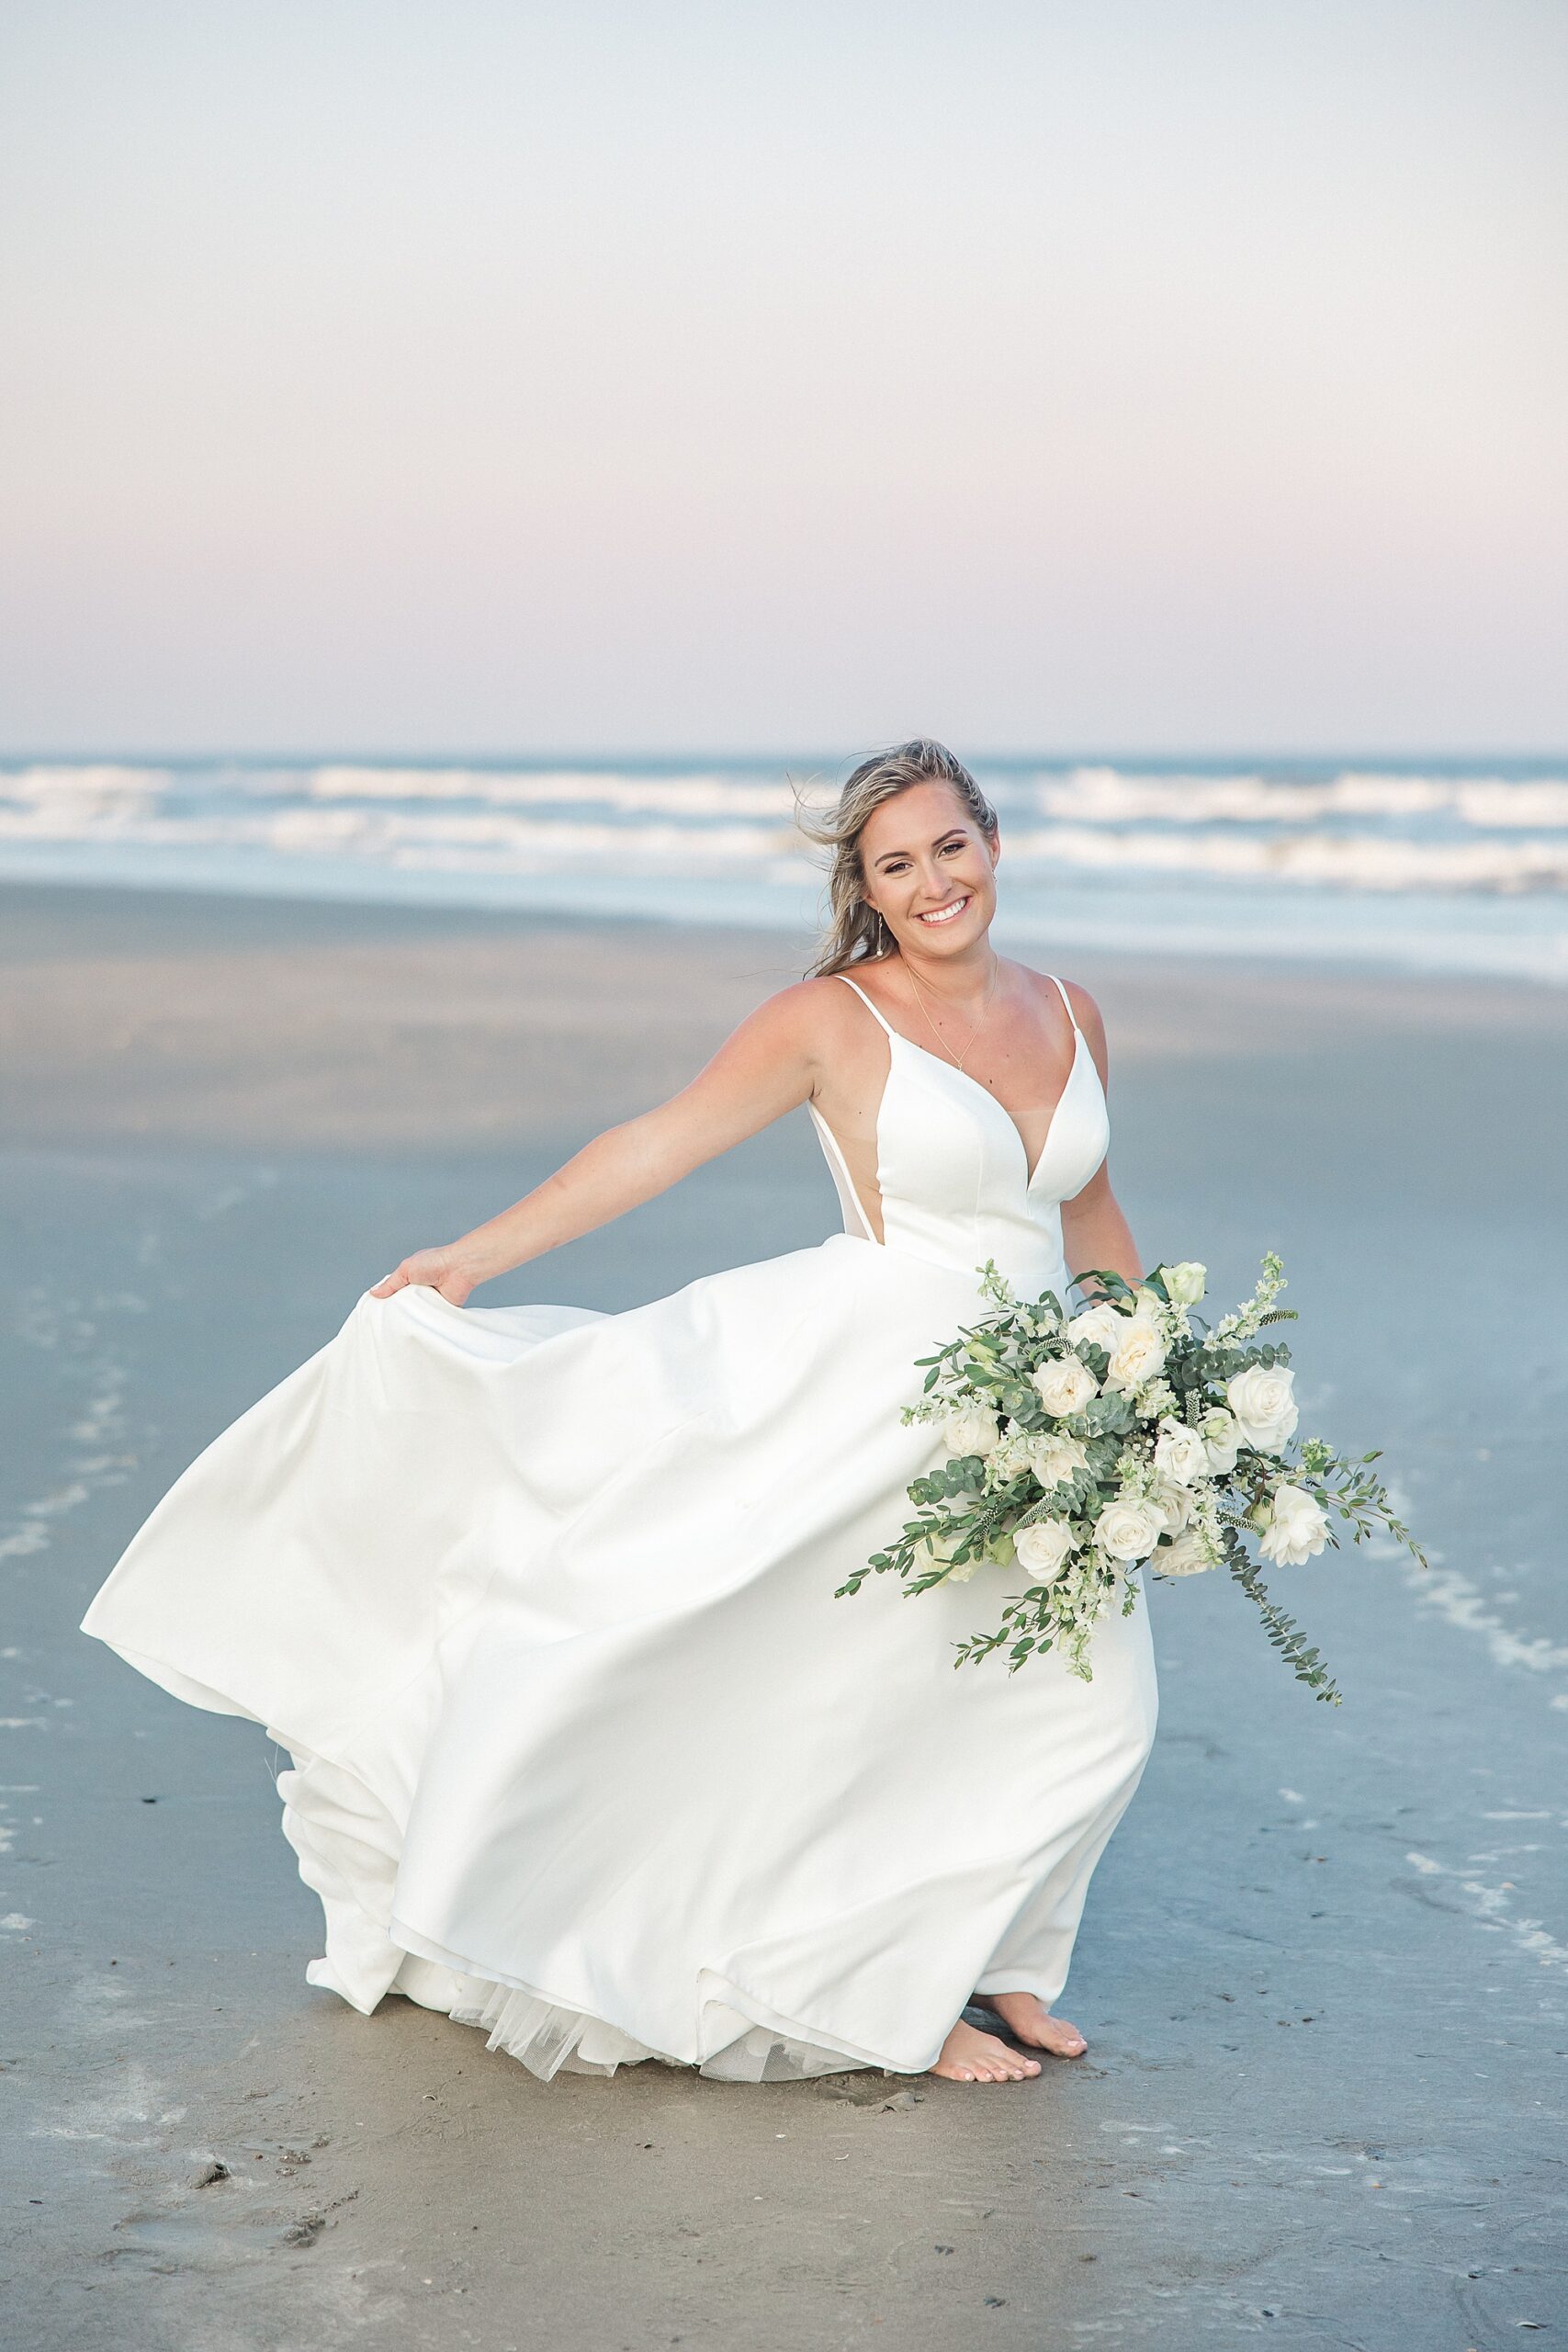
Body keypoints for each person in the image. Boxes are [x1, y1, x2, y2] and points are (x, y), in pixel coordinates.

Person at [82, 739, 1157, 2087]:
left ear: (994, 846)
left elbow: (1091, 1208)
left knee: (1092, 1700)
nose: (934, 880)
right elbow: (659, 1141)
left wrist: (1147, 1375)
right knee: (869, 1699)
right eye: (898, 865)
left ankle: (1003, 1956)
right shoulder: (828, 1019)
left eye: (952, 847)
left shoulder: (1072, 1009)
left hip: (1042, 1404)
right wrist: (475, 1256)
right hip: (882, 1389)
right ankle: (898, 1989)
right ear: (868, 892)